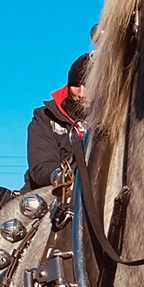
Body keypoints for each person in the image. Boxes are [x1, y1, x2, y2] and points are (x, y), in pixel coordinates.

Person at [24, 53, 91, 189]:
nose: (81, 94)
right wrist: (79, 171)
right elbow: (40, 170)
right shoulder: (45, 117)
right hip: (49, 194)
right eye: (76, 85)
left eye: (88, 84)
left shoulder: (113, 121)